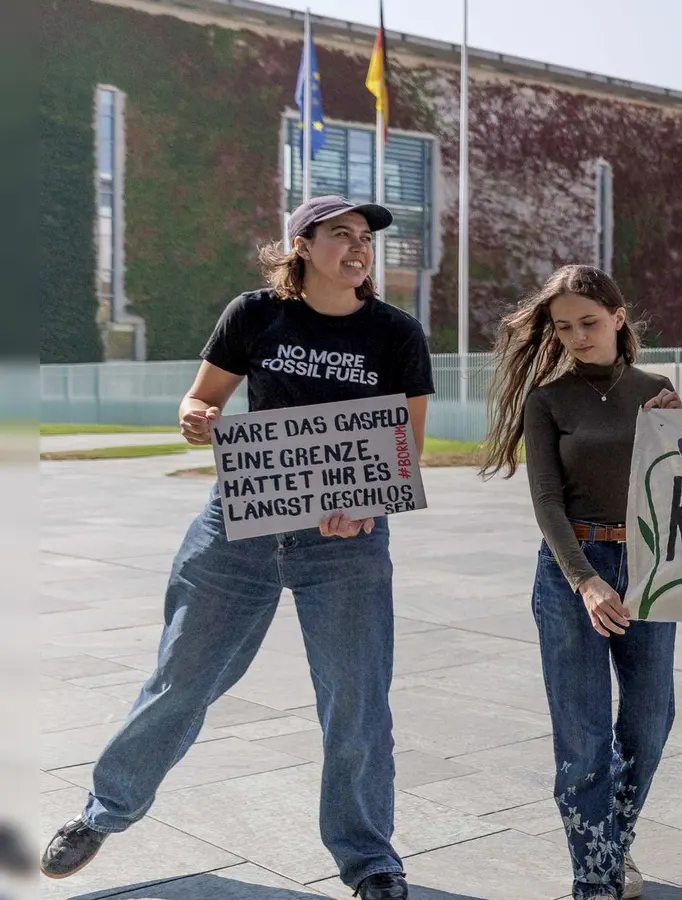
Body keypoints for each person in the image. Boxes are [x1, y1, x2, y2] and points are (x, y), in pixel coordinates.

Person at [40, 196, 434, 900]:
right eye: (340, 234)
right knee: (180, 679)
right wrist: (195, 416)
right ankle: (102, 813)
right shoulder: (254, 314)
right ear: (302, 246)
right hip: (239, 523)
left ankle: (371, 859)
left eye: (365, 238)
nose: (359, 247)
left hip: (346, 542)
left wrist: (367, 501)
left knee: (356, 702)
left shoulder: (396, 332)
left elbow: (406, 446)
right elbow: (202, 400)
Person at [479, 265, 681, 900]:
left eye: (588, 323)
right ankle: (595, 878)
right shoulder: (548, 400)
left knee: (650, 722)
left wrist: (678, 433)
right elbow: (546, 500)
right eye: (564, 327)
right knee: (582, 735)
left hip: (649, 568)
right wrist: (586, 582)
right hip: (573, 574)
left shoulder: (658, 390)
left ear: (619, 317)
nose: (576, 337)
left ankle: (610, 844)